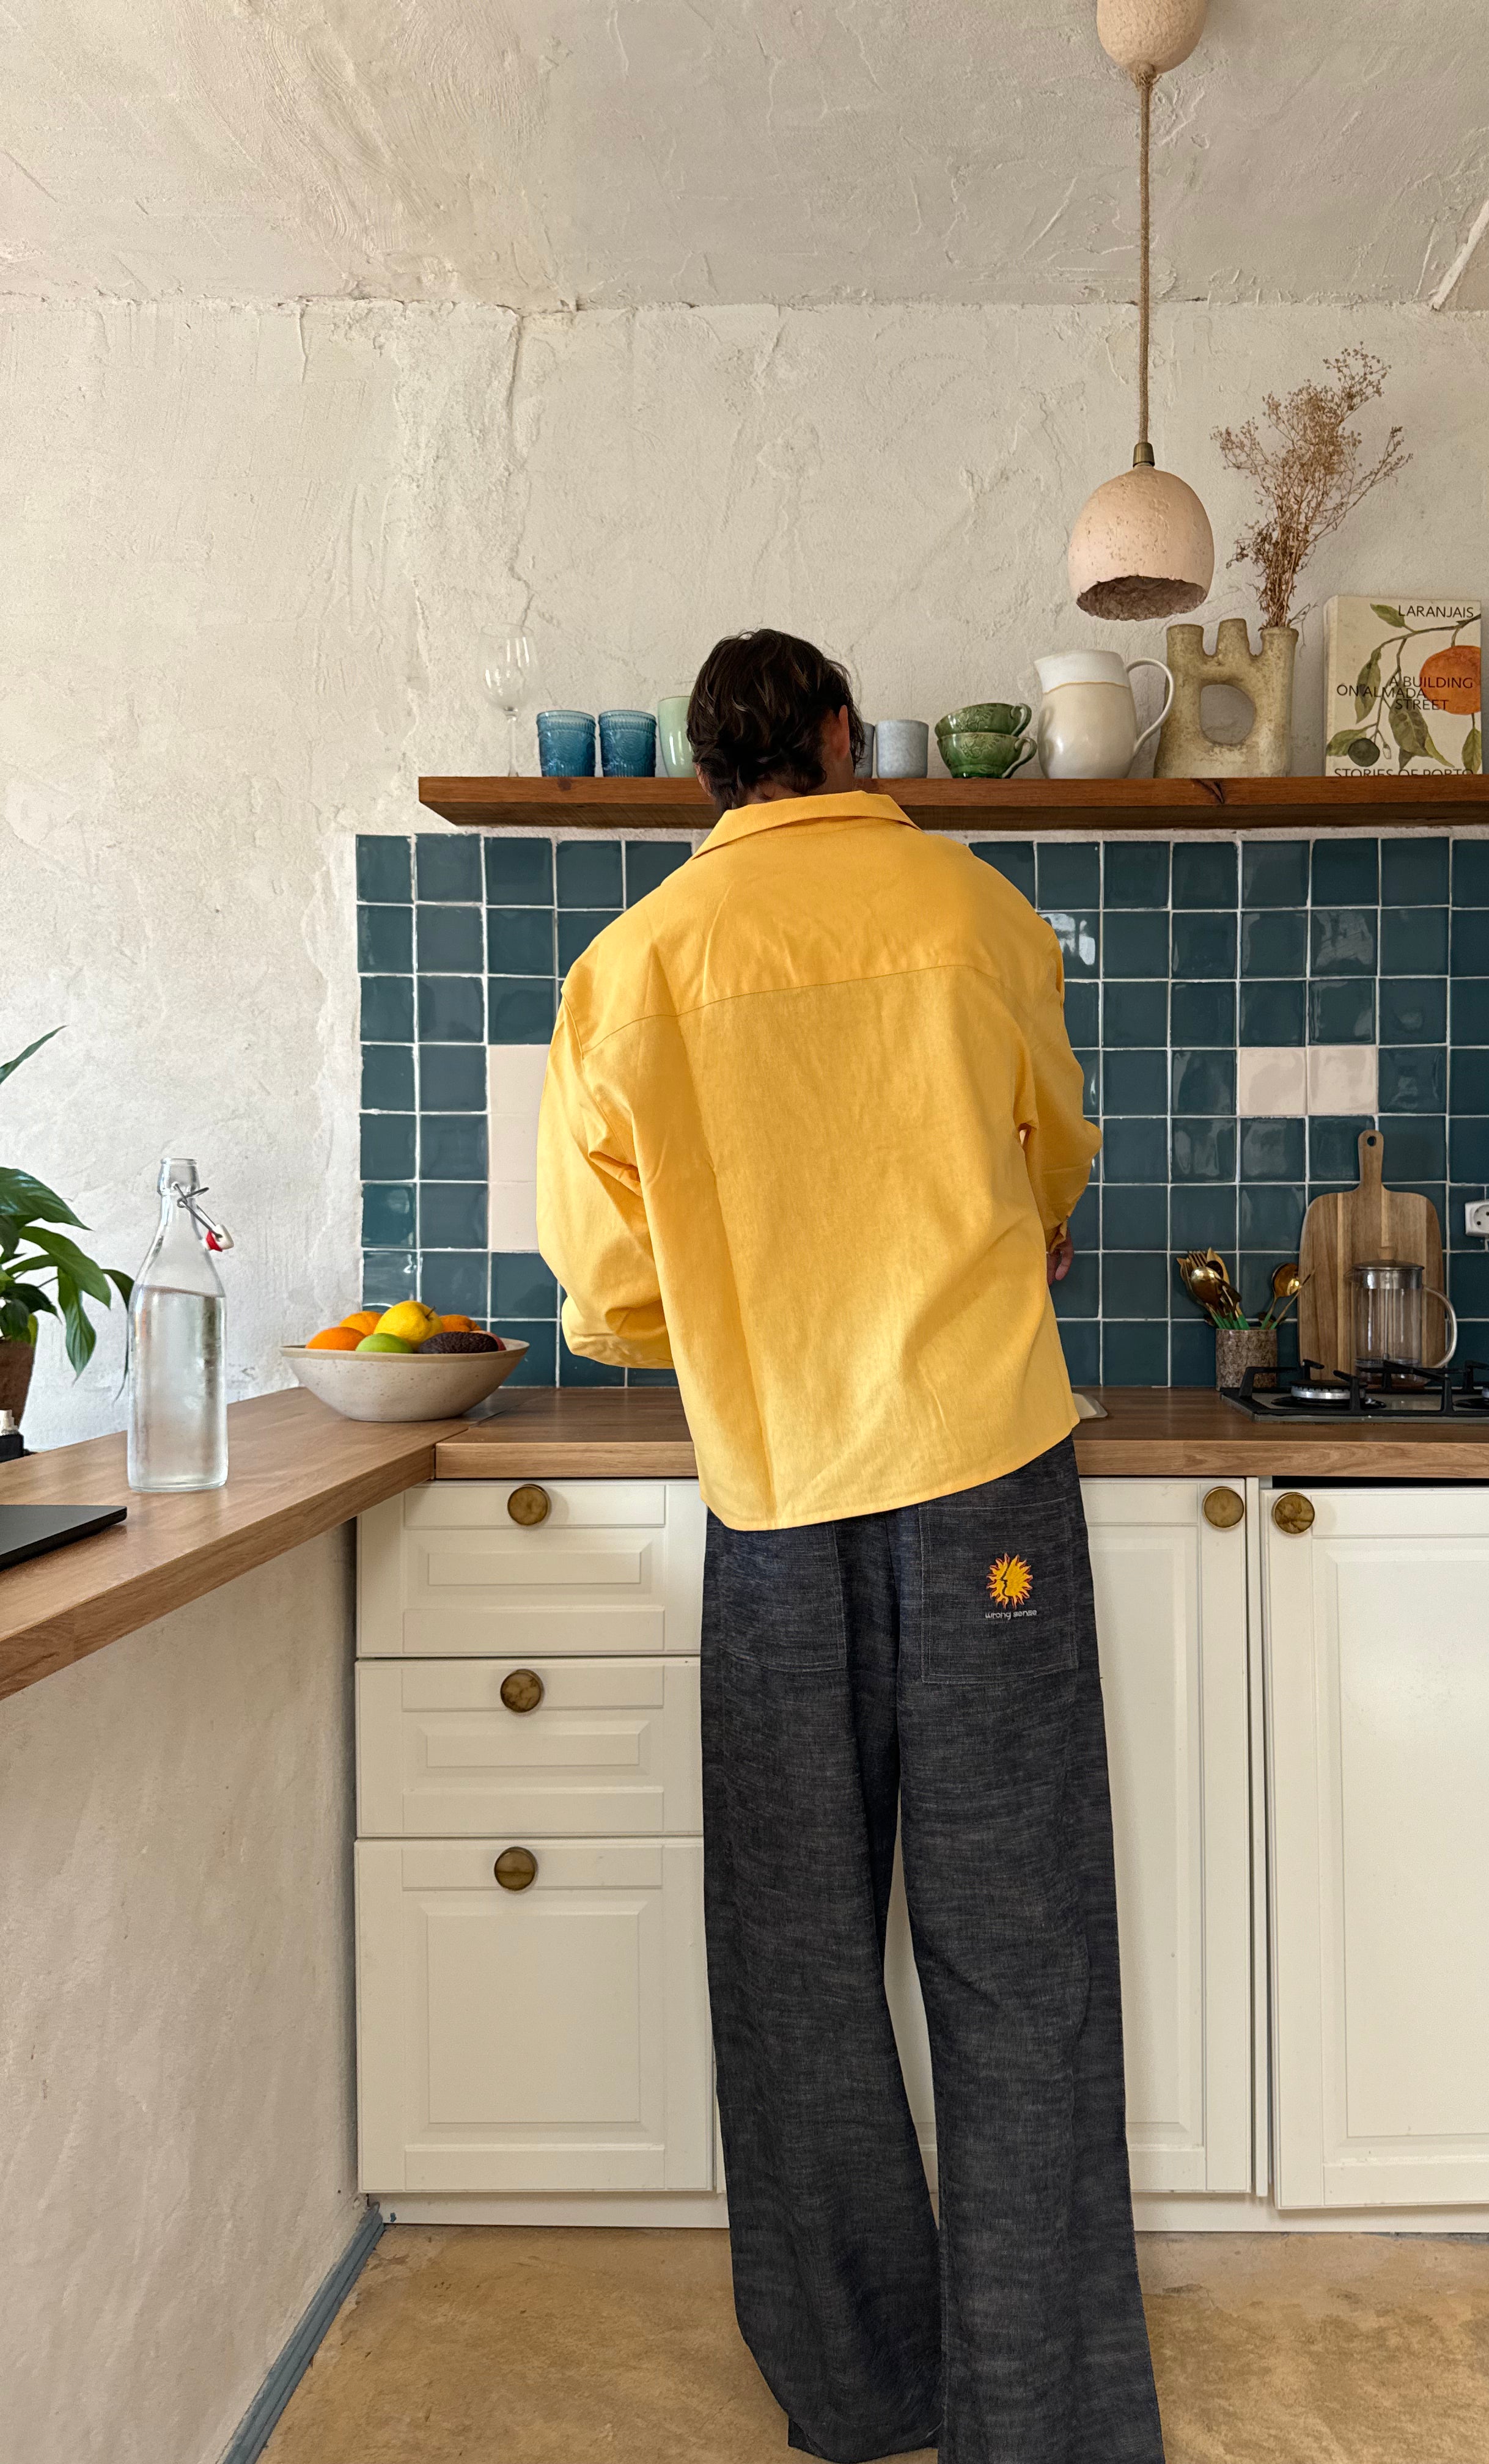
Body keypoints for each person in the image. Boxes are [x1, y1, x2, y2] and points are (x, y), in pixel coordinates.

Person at [537, 628, 1164, 2464]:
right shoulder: (976, 909)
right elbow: (1051, 1159)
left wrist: (731, 1322)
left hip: (774, 1493)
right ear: (838, 735)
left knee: (796, 1963)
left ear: (705, 772)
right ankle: (1035, 2418)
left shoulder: (628, 969)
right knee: (1021, 1954)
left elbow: (604, 1290)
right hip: (986, 1481)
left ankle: (858, 2382)